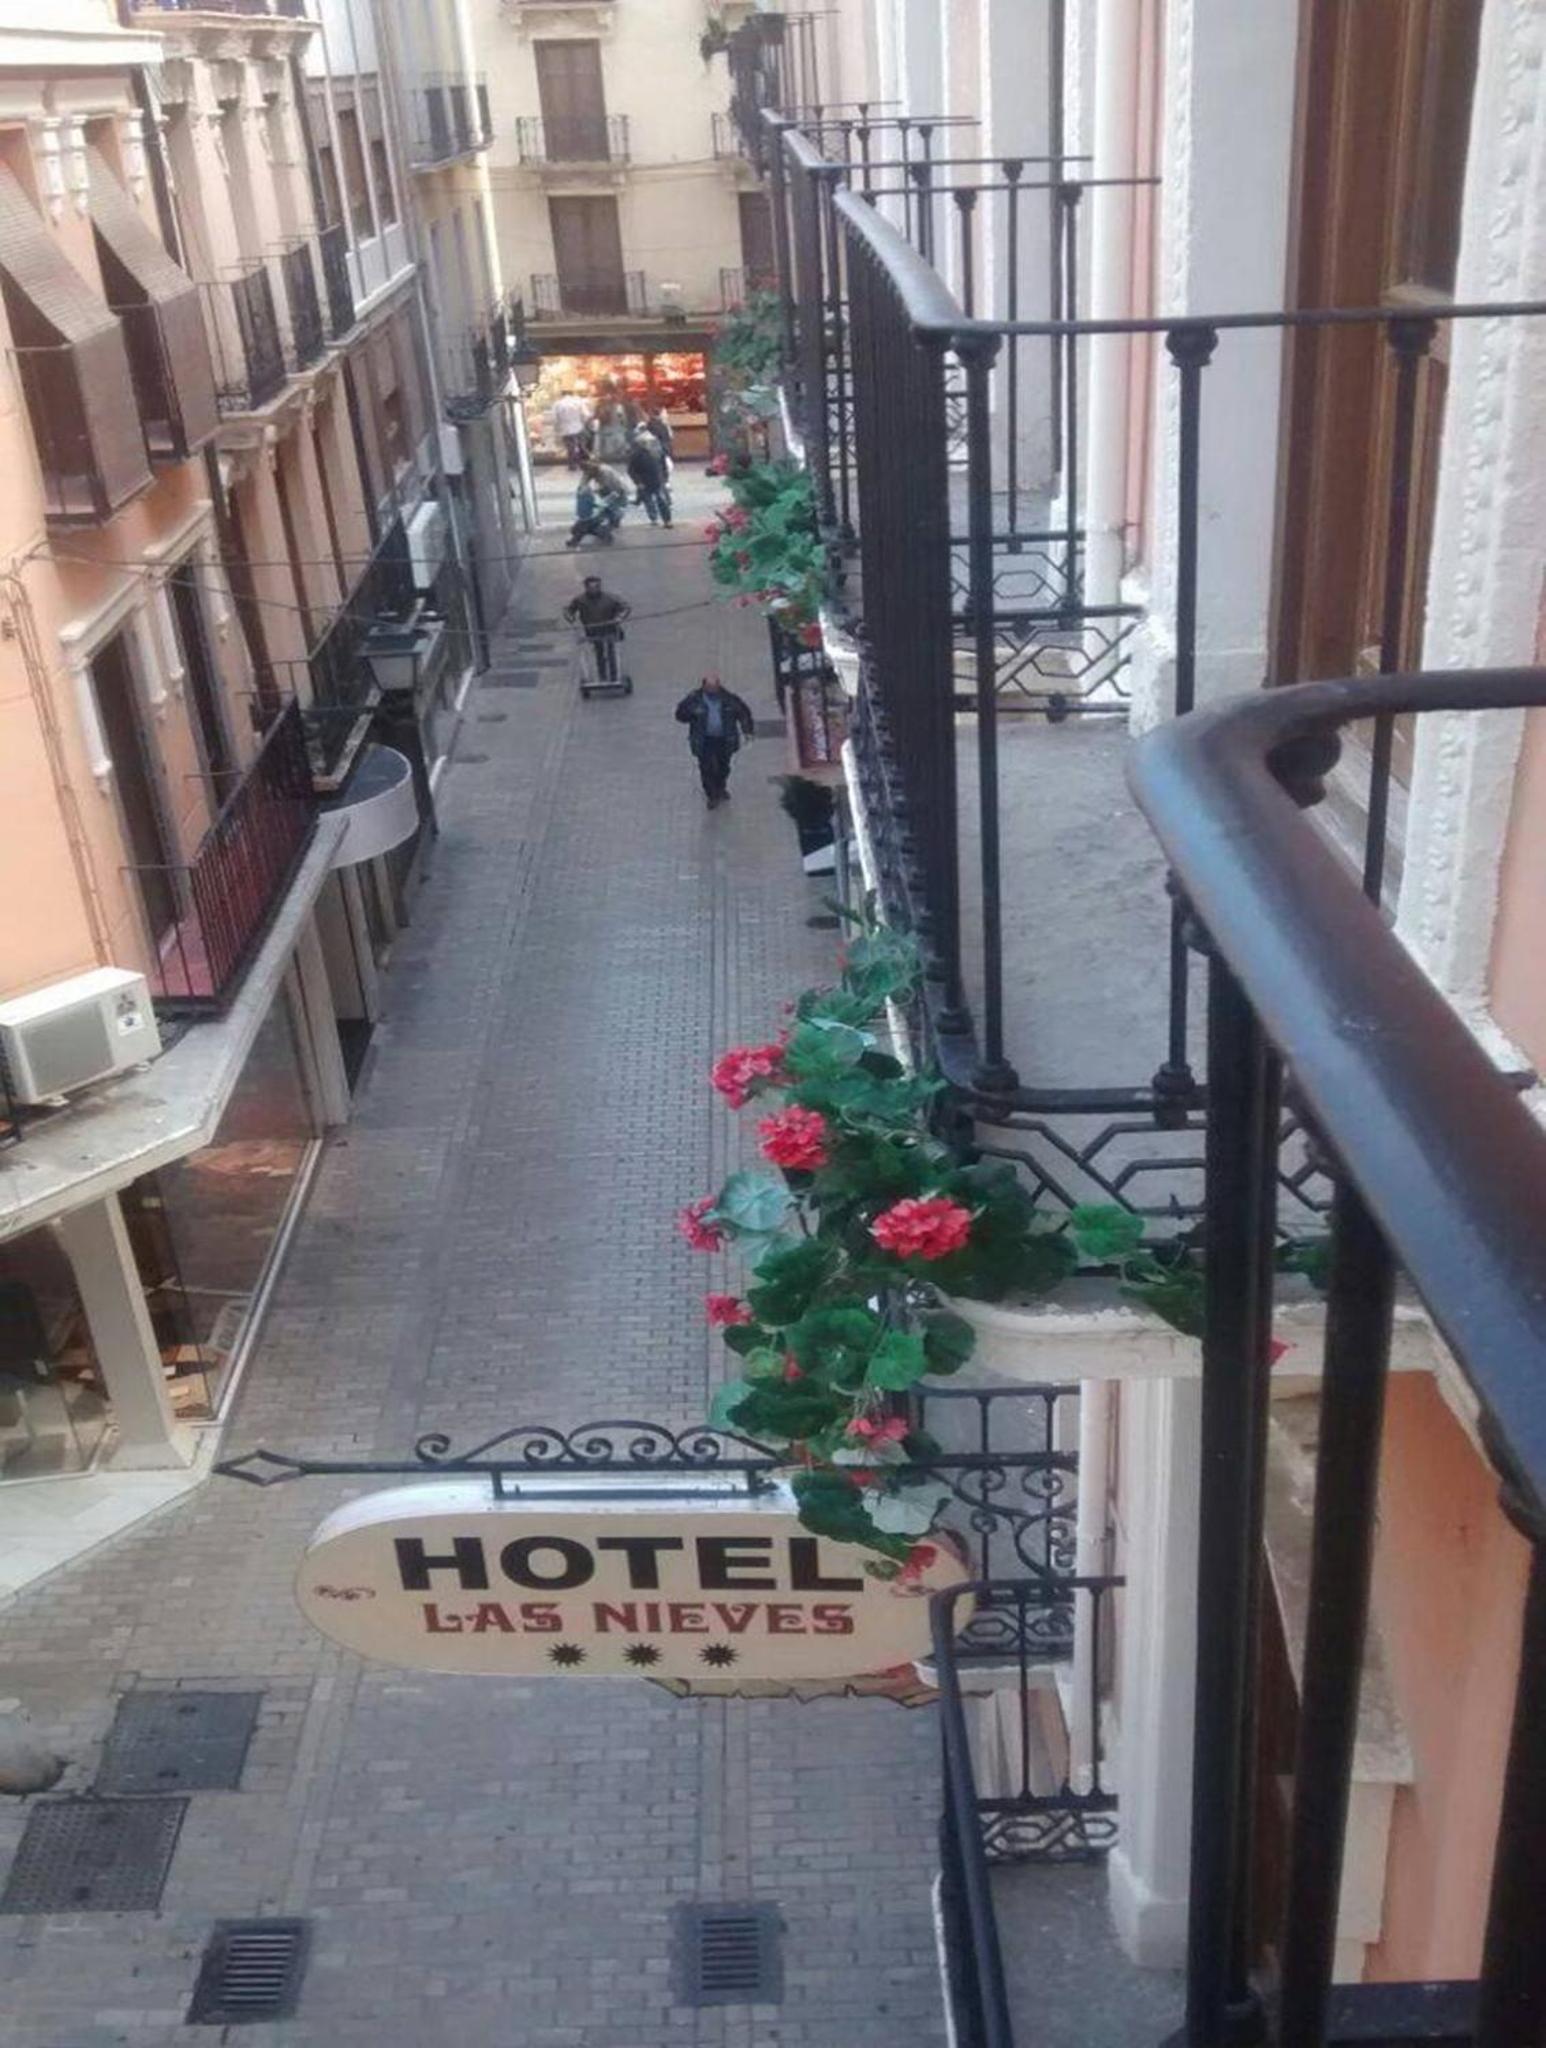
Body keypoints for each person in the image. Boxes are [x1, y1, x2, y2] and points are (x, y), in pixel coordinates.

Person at [675, 673, 755, 807]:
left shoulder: (729, 699)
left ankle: (720, 787)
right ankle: (712, 794)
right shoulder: (694, 699)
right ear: (704, 686)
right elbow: (680, 715)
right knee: (706, 767)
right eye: (709, 687)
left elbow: (743, 713)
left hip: (724, 739)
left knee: (724, 766)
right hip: (704, 739)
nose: (712, 690)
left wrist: (747, 731)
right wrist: (692, 713)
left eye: (715, 687)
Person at [564, 576, 632, 683]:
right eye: (591, 587)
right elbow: (568, 610)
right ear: (586, 587)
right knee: (599, 653)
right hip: (592, 632)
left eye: (596, 586)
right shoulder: (580, 600)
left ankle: (614, 676)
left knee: (611, 652)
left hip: (610, 630)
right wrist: (572, 620)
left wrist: (619, 618)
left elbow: (625, 607)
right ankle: (603, 677)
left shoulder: (610, 598)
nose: (594, 589)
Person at [566, 462, 629, 548]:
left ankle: (610, 528)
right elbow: (584, 480)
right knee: (586, 526)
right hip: (605, 499)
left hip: (617, 492)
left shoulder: (605, 472)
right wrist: (582, 487)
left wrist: (594, 492)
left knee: (609, 514)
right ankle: (606, 530)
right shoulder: (591, 472)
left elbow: (608, 488)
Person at [626, 428, 673, 528]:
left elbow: (663, 465)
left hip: (657, 480)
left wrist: (665, 477)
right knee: (649, 501)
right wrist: (638, 482)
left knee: (660, 500)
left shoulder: (657, 452)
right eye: (647, 441)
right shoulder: (637, 455)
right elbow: (631, 470)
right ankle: (654, 518)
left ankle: (666, 520)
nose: (649, 443)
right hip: (645, 481)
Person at [550, 389, 592, 469]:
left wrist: (557, 428)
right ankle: (584, 462)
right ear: (572, 394)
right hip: (578, 427)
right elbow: (586, 415)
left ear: (562, 395)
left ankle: (572, 464)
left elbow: (554, 418)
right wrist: (583, 422)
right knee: (581, 445)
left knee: (570, 447)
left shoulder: (557, 404)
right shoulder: (579, 402)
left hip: (565, 429)